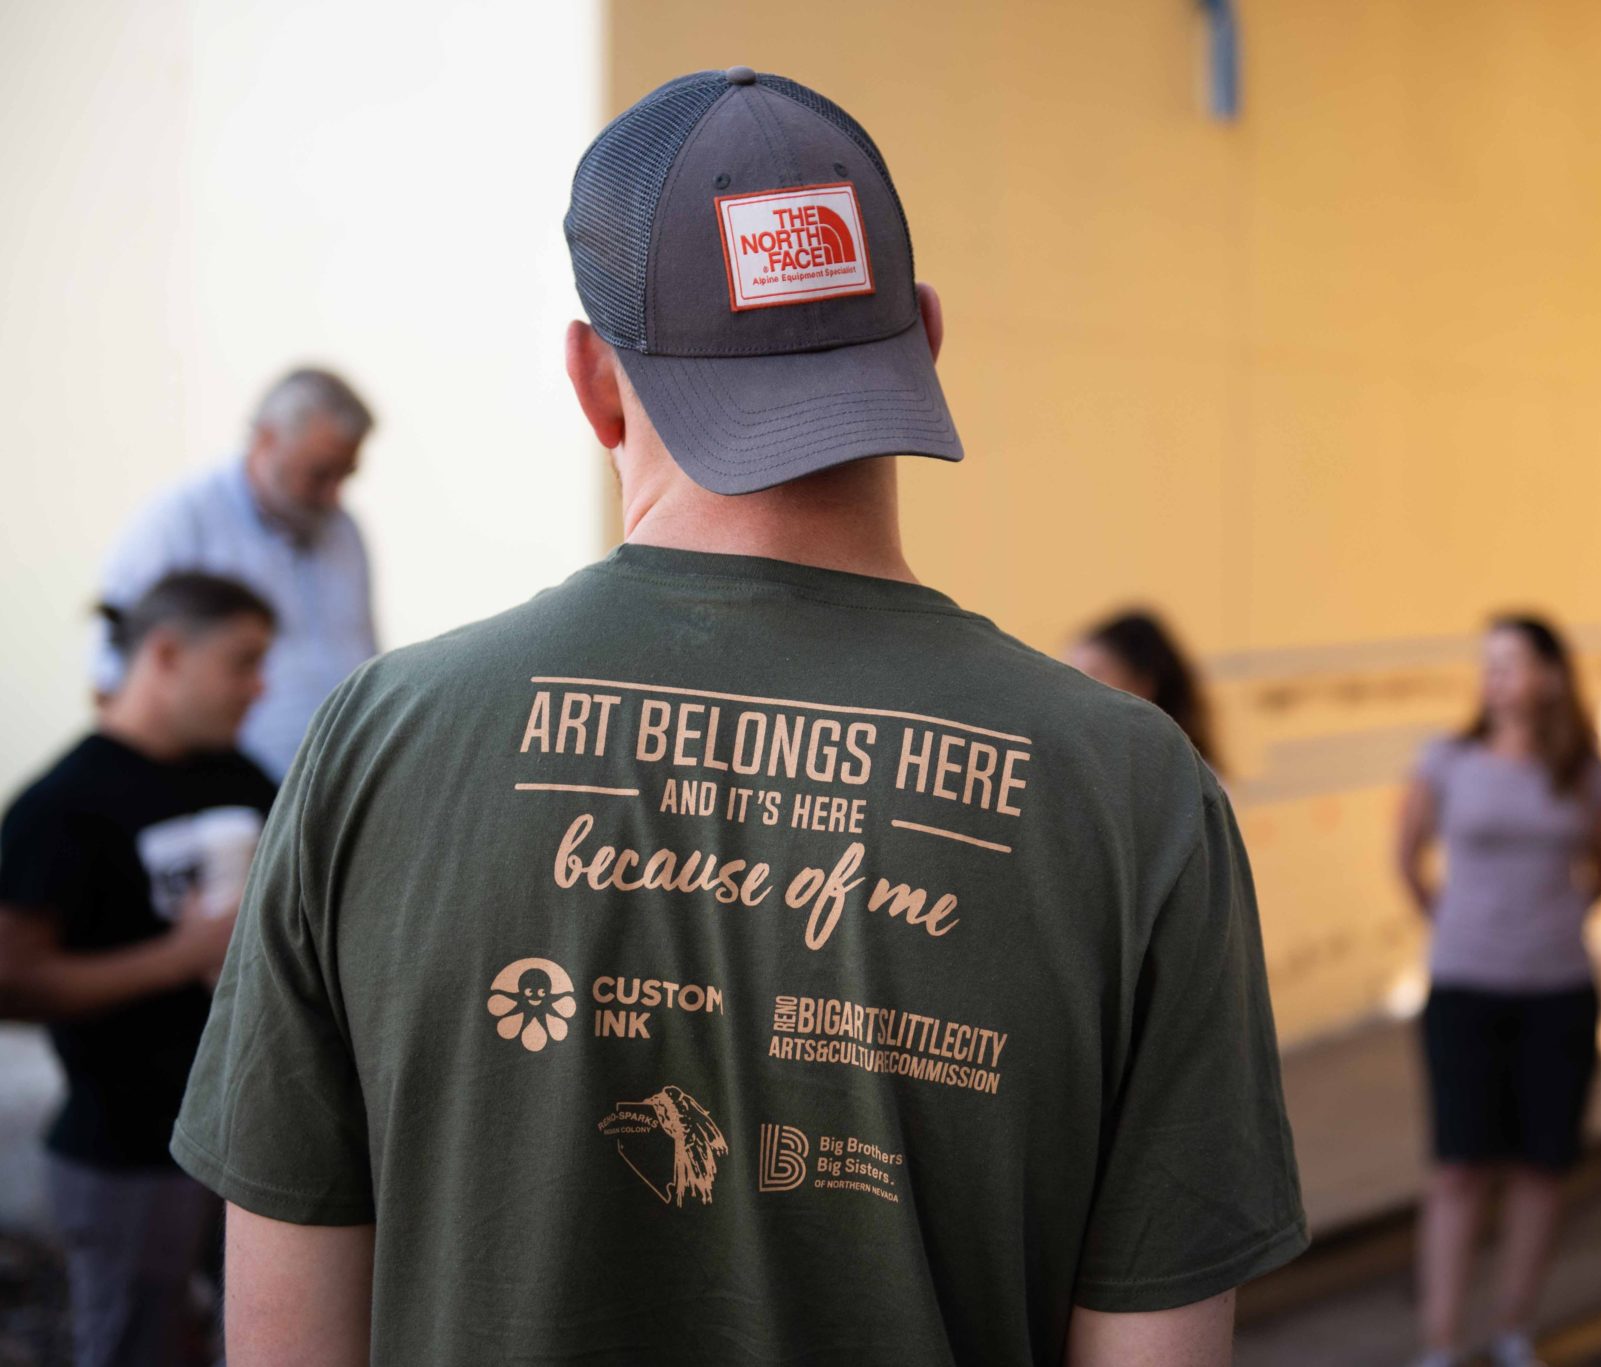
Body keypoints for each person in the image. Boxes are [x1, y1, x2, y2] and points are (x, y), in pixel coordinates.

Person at [171, 66, 1306, 1367]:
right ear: (925, 342)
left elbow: (282, 1333)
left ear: (593, 378)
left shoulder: (379, 742)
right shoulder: (1134, 790)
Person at [0, 573, 279, 1367]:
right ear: (165, 654)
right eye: (243, 661)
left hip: (247, 1135)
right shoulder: (63, 804)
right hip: (124, 1149)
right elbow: (12, 982)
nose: (261, 686)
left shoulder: (240, 776)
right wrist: (182, 956)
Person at [1394, 614, 1601, 1367]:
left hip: (1559, 992)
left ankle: (1513, 1326)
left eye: (1510, 663)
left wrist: (1549, 927)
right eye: (1486, 664)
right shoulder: (1446, 760)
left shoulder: (1588, 771)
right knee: (1458, 1166)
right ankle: (1440, 1339)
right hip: (1464, 987)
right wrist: (1457, 925)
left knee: (1540, 1168)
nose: (1493, 677)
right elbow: (1407, 856)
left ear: (1551, 676)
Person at [95, 367, 377, 780]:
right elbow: (113, 685)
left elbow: (363, 654)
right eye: (319, 473)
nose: (335, 494)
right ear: (265, 440)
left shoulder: (344, 530)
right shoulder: (177, 523)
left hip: (337, 786)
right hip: (222, 798)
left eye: (345, 475)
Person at [1071, 609, 1225, 772]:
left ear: (1140, 686)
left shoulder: (1190, 780)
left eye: (1094, 674)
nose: (1073, 688)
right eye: (1069, 672)